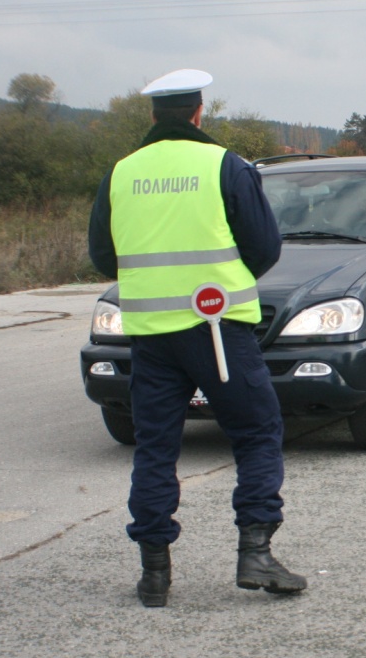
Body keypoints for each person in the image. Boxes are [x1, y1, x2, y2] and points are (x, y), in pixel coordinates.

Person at [88, 68, 306, 607]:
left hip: (150, 335)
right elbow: (264, 246)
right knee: (257, 432)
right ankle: (255, 553)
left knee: (156, 448)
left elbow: (101, 256)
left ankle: (154, 575)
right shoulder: (224, 165)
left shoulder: (120, 173)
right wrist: (222, 283)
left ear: (152, 115)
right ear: (199, 112)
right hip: (217, 329)